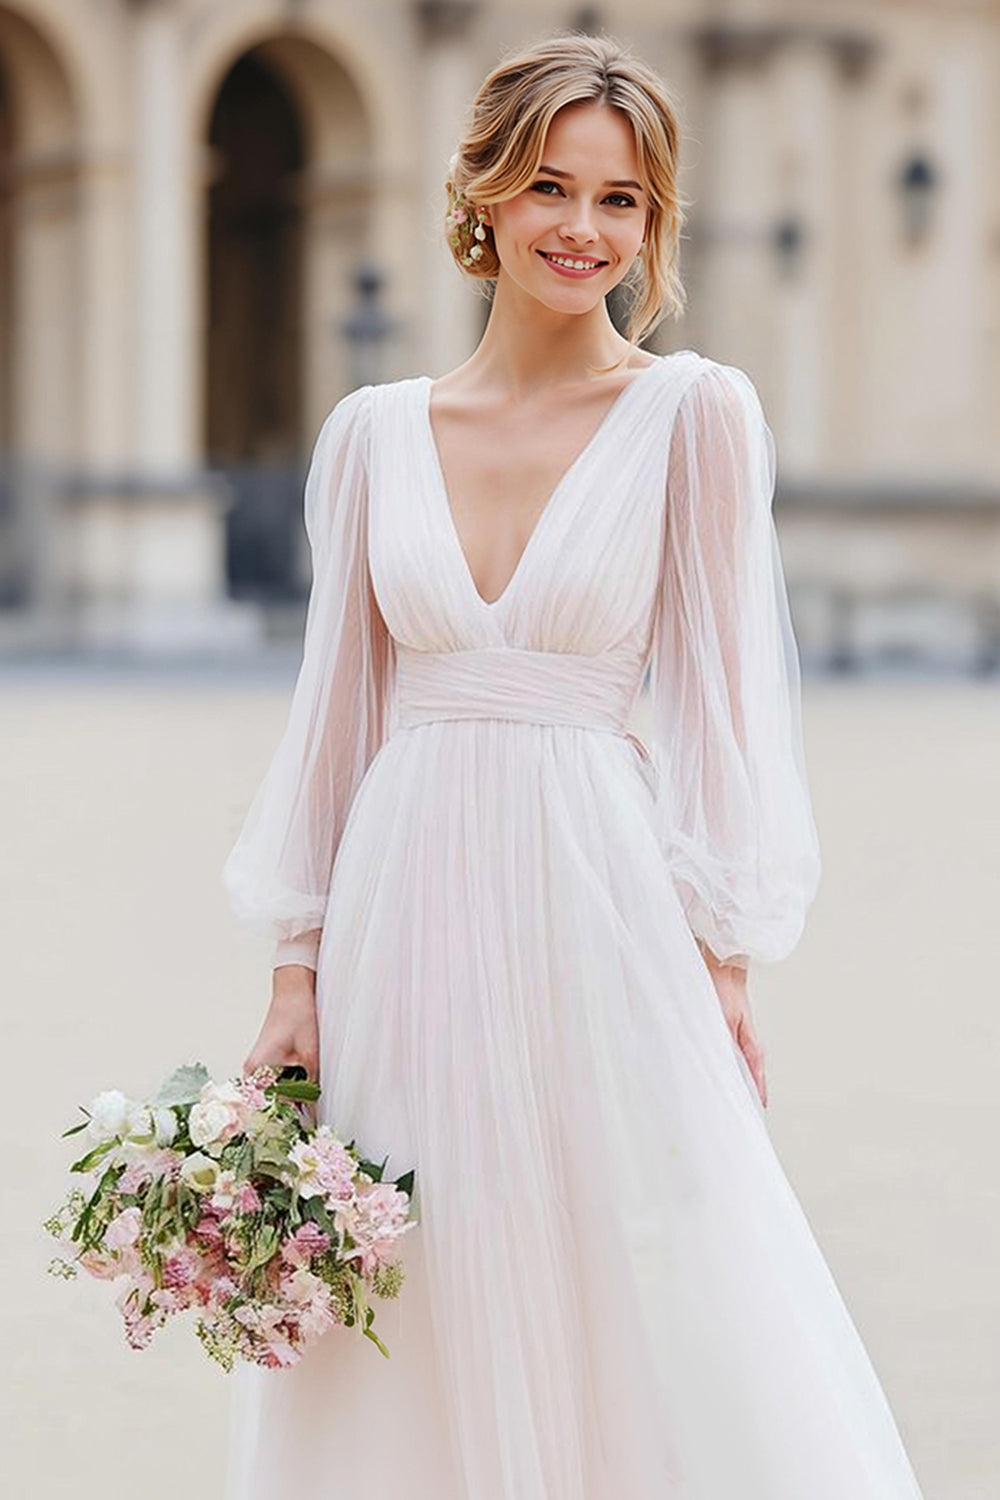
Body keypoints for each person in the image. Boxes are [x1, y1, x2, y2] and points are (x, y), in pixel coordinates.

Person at [221, 30, 926, 1500]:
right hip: (400, 910)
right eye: (551, 186)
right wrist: (296, 971)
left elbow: (728, 710)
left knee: (640, 1254)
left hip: (598, 900)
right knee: (413, 1266)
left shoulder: (693, 419)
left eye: (622, 201)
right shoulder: (368, 438)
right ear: (482, 193)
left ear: (654, 225)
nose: (581, 230)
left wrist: (723, 964)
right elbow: (334, 713)